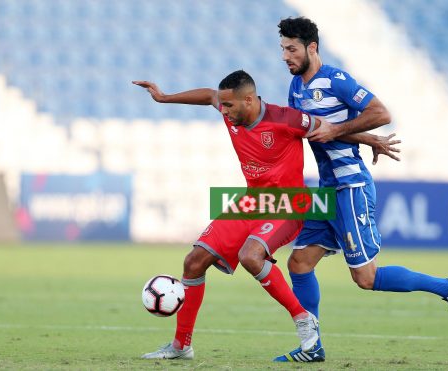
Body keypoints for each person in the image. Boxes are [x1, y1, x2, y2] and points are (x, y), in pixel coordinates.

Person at [132, 70, 399, 360]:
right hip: (252, 202)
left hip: (288, 203)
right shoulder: (227, 107)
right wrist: (164, 97)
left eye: (229, 106)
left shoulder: (286, 119)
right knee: (194, 262)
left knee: (251, 256)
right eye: (222, 105)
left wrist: (371, 139)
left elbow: (330, 128)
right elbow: (210, 94)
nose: (223, 111)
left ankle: (303, 319)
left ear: (248, 100)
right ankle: (181, 346)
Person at [274, 17, 448, 363]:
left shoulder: (337, 81)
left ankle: (447, 287)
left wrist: (345, 132)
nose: (285, 57)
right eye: (283, 49)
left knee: (365, 278)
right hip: (327, 189)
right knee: (300, 262)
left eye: (291, 49)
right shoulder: (296, 89)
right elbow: (321, 129)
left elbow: (380, 112)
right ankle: (312, 346)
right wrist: (366, 138)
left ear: (312, 48)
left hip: (350, 187)